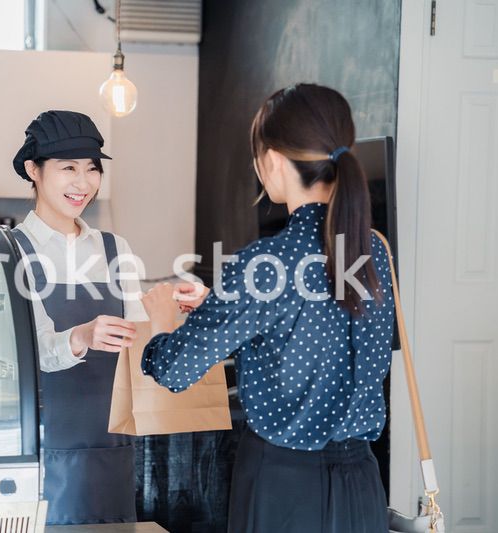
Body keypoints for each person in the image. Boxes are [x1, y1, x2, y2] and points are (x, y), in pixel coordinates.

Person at [141, 84, 395, 532]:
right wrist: (229, 311)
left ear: (273, 160)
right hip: (363, 486)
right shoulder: (374, 250)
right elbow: (322, 331)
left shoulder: (265, 264)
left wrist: (161, 324)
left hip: (284, 489)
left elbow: (175, 370)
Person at [11, 110, 147, 525]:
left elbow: (140, 339)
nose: (83, 183)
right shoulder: (11, 249)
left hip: (112, 443)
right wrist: (83, 336)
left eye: (92, 169)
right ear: (34, 170)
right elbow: (29, 354)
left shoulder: (114, 247)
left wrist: (171, 310)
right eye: (68, 167)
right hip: (42, 446)